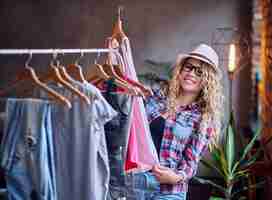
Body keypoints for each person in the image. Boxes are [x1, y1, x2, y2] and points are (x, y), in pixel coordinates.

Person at [125, 44, 224, 200]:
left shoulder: (203, 118)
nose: (191, 73)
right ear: (181, 69)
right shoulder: (156, 97)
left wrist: (176, 177)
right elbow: (133, 128)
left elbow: (191, 162)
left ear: (207, 81)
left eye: (199, 72)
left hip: (169, 191)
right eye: (189, 67)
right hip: (137, 183)